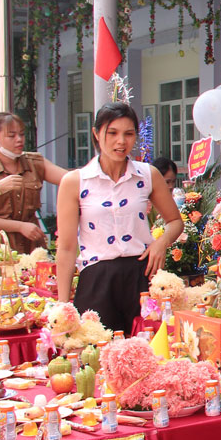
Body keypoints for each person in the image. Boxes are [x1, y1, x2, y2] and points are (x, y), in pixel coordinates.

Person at [55, 103, 182, 333]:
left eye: (129, 134)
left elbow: (175, 221)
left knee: (149, 354)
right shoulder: (76, 181)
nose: (121, 141)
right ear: (96, 134)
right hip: (96, 280)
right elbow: (65, 248)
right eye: (112, 133)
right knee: (96, 356)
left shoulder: (147, 175)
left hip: (142, 277)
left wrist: (161, 243)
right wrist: (63, 307)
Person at [0, 112, 68, 254]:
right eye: (11, 136)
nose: (19, 140)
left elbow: (70, 180)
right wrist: (19, 226)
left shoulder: (34, 162)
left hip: (31, 249)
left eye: (22, 134)